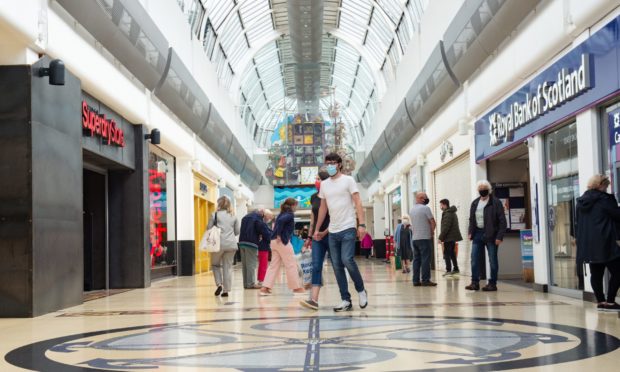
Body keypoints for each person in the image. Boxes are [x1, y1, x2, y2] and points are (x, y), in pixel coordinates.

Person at [314, 153, 368, 312]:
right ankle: (345, 299)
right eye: (327, 163)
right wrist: (317, 229)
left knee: (347, 259)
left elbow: (358, 201)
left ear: (339, 164)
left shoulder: (348, 180)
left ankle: (361, 290)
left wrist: (362, 224)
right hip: (333, 230)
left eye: (332, 163)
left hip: (348, 227)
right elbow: (323, 208)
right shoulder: (324, 184)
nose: (330, 166)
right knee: (337, 266)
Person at [576, 174, 620, 312]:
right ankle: (611, 302)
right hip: (605, 241)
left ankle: (601, 302)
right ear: (600, 185)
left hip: (589, 244)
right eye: (606, 186)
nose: (607, 189)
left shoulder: (581, 201)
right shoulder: (604, 199)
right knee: (618, 271)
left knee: (596, 274)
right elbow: (617, 215)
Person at [466, 180, 507, 291]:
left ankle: (492, 284)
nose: (482, 191)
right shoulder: (475, 203)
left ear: (489, 190)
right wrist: (470, 232)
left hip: (492, 234)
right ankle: (475, 282)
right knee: (474, 259)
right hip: (477, 234)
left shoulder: (496, 202)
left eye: (484, 189)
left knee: (492, 260)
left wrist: (499, 236)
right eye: (480, 189)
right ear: (478, 190)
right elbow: (471, 219)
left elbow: (502, 221)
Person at [300, 170, 332, 310]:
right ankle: (313, 300)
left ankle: (346, 297)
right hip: (317, 237)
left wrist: (325, 232)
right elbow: (312, 218)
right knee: (316, 265)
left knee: (338, 266)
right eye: (315, 178)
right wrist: (309, 237)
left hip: (331, 234)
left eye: (318, 178)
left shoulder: (331, 195)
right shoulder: (313, 197)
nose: (316, 181)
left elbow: (336, 216)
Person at [260, 198, 305, 296]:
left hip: (273, 242)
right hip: (282, 242)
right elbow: (280, 222)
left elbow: (278, 222)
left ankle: (265, 287)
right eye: (296, 205)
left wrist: (277, 235)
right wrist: (280, 235)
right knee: (291, 264)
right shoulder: (289, 214)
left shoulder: (282, 213)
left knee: (273, 266)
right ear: (292, 205)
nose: (296, 207)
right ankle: (296, 287)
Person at [208, 196, 240, 297]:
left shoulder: (214, 215)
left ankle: (219, 284)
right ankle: (226, 290)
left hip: (218, 245)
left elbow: (208, 228)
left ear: (219, 204)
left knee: (215, 265)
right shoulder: (233, 216)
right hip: (231, 245)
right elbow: (237, 232)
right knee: (228, 267)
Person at [239, 208, 272, 289]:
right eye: (267, 218)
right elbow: (265, 232)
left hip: (241, 242)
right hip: (251, 243)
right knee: (251, 264)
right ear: (263, 214)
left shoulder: (245, 217)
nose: (266, 220)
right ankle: (250, 284)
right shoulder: (257, 219)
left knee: (245, 265)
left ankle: (246, 284)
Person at [409, 191, 437, 286]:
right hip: (424, 238)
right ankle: (425, 280)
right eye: (425, 197)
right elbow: (433, 222)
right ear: (420, 198)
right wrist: (432, 232)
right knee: (425, 259)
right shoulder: (426, 208)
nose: (426, 199)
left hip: (415, 239)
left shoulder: (412, 210)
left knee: (416, 260)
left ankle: (415, 281)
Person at [438, 199, 463, 277]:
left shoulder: (448, 213)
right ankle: (456, 269)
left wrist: (440, 237)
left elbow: (446, 227)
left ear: (445, 205)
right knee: (452, 253)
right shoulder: (451, 212)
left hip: (449, 237)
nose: (440, 207)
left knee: (446, 254)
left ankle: (448, 270)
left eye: (441, 205)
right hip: (452, 237)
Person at [257, 210, 274, 287]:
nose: (270, 219)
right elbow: (268, 235)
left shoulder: (263, 224)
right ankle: (261, 280)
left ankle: (261, 279)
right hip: (263, 246)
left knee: (263, 264)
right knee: (263, 264)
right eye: (270, 217)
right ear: (266, 216)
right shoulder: (263, 224)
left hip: (263, 246)